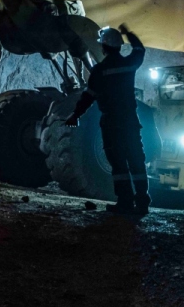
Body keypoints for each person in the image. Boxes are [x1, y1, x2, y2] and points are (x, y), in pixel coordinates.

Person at [64, 23, 150, 216]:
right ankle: (142, 203)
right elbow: (139, 50)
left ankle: (125, 202)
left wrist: (75, 115)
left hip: (112, 124)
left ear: (103, 47)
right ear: (119, 46)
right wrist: (129, 33)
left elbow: (88, 97)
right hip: (130, 122)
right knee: (136, 161)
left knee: (119, 164)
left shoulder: (100, 71)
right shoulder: (129, 64)